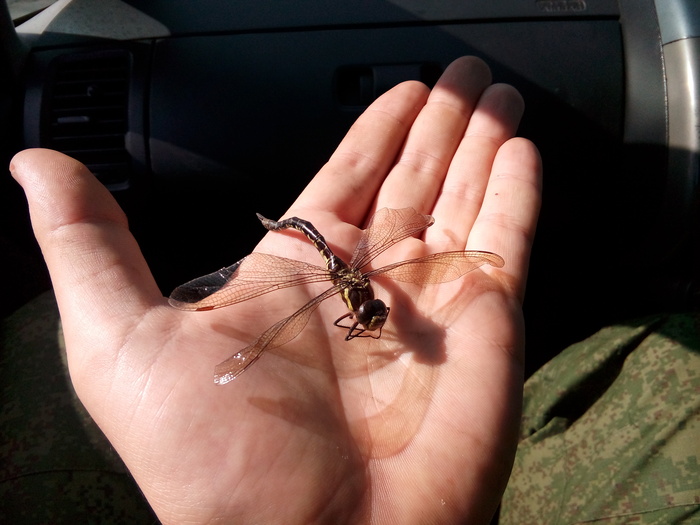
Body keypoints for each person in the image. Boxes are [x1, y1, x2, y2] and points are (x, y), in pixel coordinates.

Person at [7, 56, 540, 524]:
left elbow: (370, 306)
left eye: (370, 314)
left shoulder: (368, 298)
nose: (373, 318)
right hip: (318, 251)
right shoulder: (337, 298)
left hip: (350, 265)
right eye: (371, 315)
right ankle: (280, 223)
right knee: (295, 250)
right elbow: (340, 318)